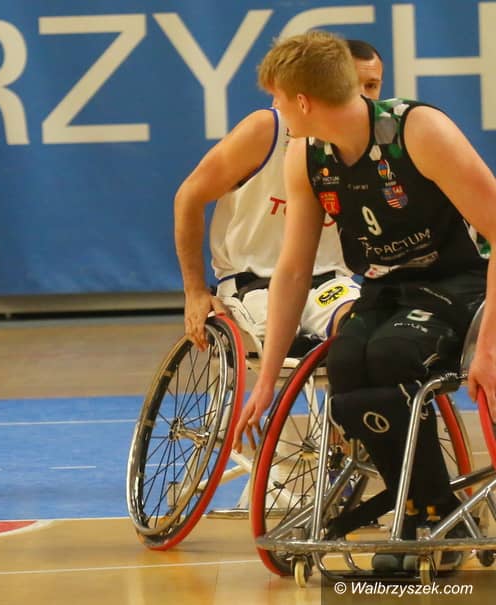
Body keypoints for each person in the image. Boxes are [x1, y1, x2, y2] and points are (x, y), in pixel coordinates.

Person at [233, 31, 496, 569]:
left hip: (462, 280)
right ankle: (430, 510)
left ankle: (427, 517)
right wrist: (265, 380)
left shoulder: (418, 130)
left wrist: (489, 345)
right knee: (347, 364)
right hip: (384, 286)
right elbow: (293, 270)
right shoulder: (305, 155)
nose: (275, 109)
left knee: (393, 354)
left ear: (302, 101)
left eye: (277, 98)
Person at [175, 39, 383, 353]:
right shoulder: (268, 129)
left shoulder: (379, 140)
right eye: (353, 85)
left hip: (329, 283)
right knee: (288, 343)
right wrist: (194, 292)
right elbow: (189, 196)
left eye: (372, 86)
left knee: (368, 333)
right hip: (253, 285)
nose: (363, 97)